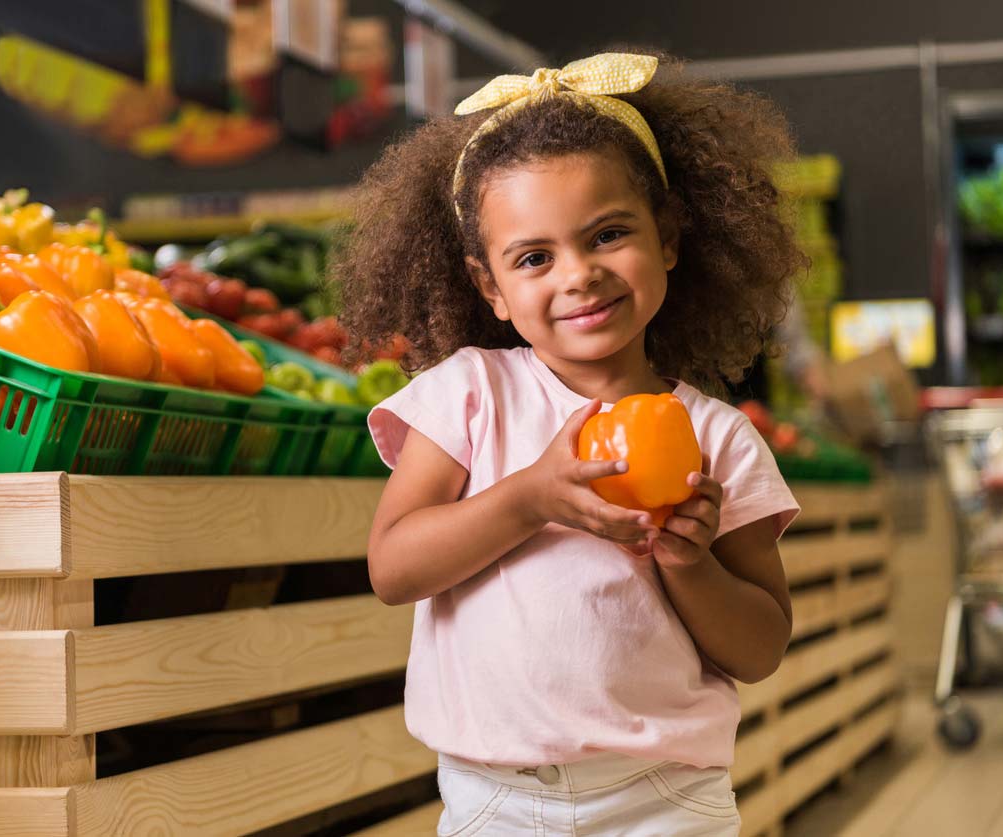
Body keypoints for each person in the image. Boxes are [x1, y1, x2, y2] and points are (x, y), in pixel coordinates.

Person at [337, 52, 804, 836]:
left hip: (665, 798)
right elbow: (393, 567)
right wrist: (528, 497)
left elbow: (759, 648)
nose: (579, 275)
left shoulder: (719, 438)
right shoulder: (470, 394)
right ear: (491, 287)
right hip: (497, 799)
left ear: (670, 239)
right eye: (534, 257)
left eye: (609, 234)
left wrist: (688, 561)